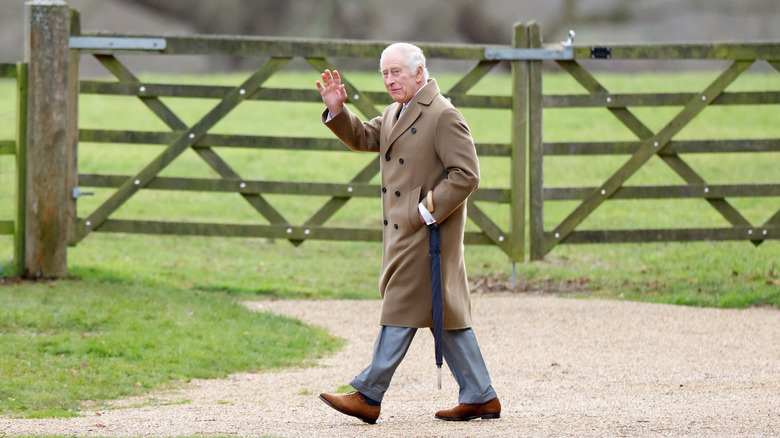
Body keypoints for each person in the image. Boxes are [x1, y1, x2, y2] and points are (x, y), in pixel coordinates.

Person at [315, 42, 500, 424]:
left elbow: (467, 175)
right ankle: (480, 395)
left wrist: (425, 210)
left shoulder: (443, 115)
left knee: (400, 304)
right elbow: (365, 137)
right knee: (441, 310)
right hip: (406, 231)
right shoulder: (395, 110)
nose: (389, 79)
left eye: (396, 71)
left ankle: (368, 393)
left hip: (428, 233)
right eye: (384, 73)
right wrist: (337, 111)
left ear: (419, 72)